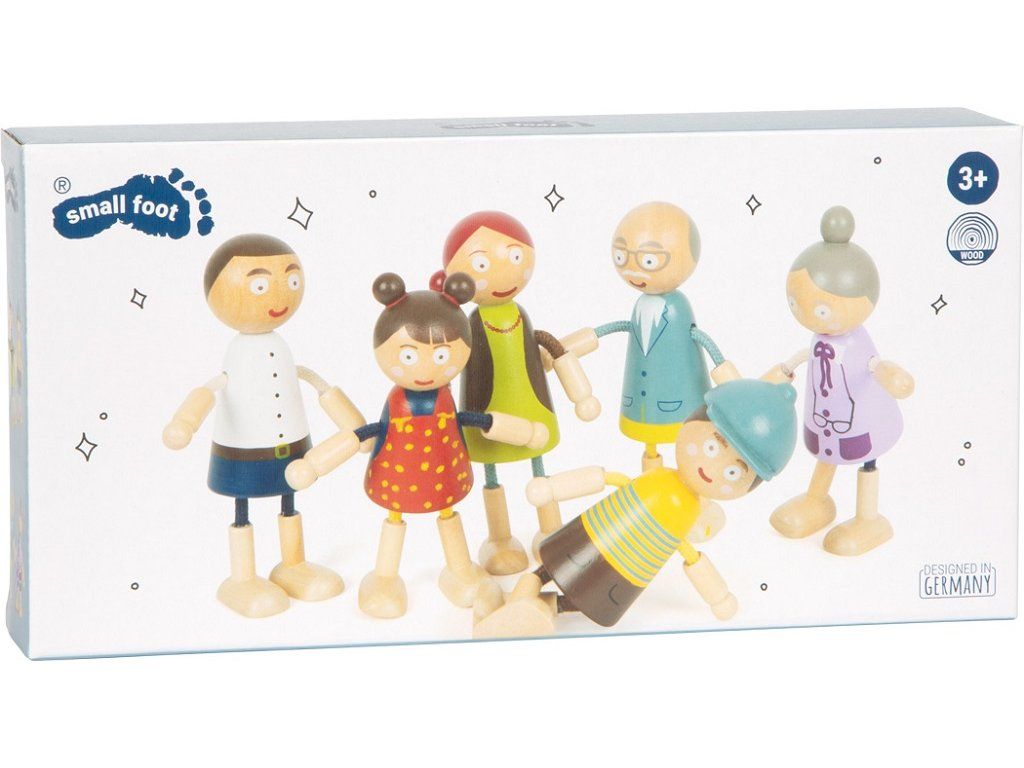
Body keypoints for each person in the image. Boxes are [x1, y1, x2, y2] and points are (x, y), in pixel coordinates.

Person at [284, 273, 549, 618]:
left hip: (443, 472)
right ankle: (384, 578)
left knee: (448, 514)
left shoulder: (444, 400)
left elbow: (480, 421)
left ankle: (460, 570)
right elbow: (363, 433)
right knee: (394, 519)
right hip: (398, 473)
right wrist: (315, 464)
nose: (425, 369)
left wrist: (524, 433)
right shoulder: (398, 402)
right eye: (409, 356)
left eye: (441, 357)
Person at [473, 377, 798, 638]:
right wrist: (553, 488)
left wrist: (718, 596)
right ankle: (519, 606)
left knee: (571, 595)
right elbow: (606, 479)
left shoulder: (685, 513)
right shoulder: (656, 482)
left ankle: (525, 611)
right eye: (713, 446)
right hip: (588, 537)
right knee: (544, 571)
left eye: (733, 472)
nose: (712, 468)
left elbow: (692, 559)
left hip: (627, 575)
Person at [162, 234, 364, 618]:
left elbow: (315, 383)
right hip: (241, 447)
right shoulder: (237, 353)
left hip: (291, 444)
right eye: (259, 286)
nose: (278, 298)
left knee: (289, 498)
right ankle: (242, 578)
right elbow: (210, 389)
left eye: (290, 281)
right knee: (242, 506)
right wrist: (185, 422)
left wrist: (352, 425)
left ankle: (293, 565)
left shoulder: (282, 349)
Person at [557, 202, 735, 539]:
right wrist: (571, 346)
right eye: (623, 258)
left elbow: (703, 341)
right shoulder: (639, 306)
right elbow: (615, 328)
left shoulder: (678, 308)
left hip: (681, 402)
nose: (635, 270)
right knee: (650, 450)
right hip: (641, 404)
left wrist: (730, 382)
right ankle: (649, 501)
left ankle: (694, 507)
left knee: (687, 450)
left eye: (649, 261)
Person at [437, 211, 601, 575]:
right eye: (482, 264)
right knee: (492, 472)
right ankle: (499, 538)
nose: (502, 272)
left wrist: (580, 396)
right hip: (486, 413)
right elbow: (453, 361)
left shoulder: (520, 317)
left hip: (532, 407)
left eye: (514, 257)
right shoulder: (471, 324)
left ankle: (550, 531)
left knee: (538, 467)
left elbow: (551, 348)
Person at [764, 206, 914, 556]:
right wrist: (780, 373)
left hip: (862, 420)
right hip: (823, 417)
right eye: (796, 304)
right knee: (827, 452)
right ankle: (816, 500)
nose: (806, 314)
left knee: (865, 458)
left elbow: (877, 367)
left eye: (819, 309)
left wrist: (892, 375)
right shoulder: (818, 340)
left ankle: (868, 518)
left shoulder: (857, 342)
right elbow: (802, 359)